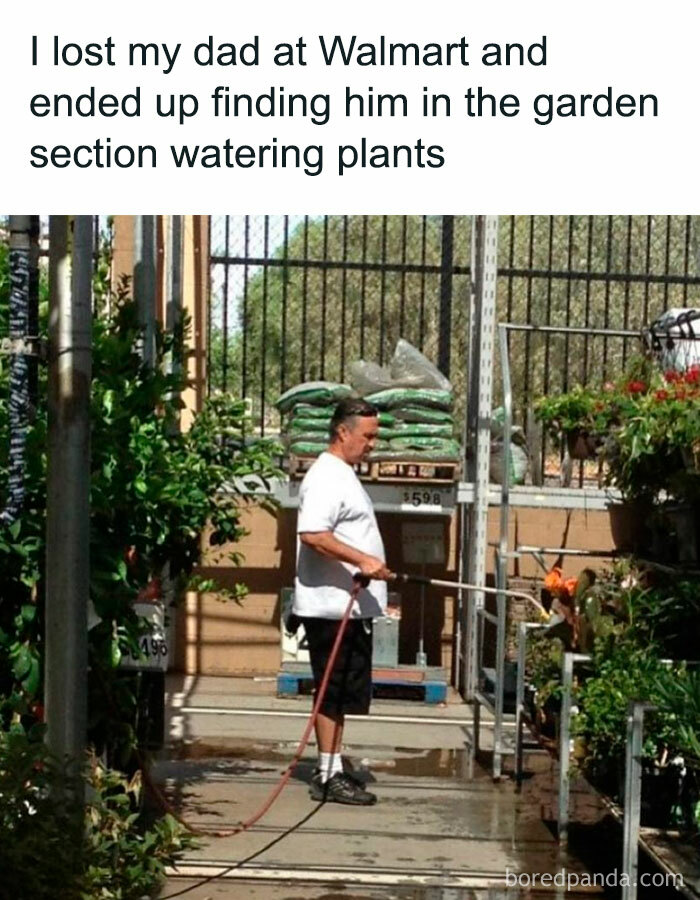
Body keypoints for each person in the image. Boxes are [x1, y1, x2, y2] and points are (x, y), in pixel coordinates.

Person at [293, 397, 393, 805]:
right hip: (331, 607)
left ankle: (333, 763)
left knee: (343, 691)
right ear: (343, 433)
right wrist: (363, 560)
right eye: (367, 436)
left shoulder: (344, 474)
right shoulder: (326, 477)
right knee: (331, 691)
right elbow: (313, 534)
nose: (372, 444)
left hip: (347, 608)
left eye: (375, 437)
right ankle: (328, 773)